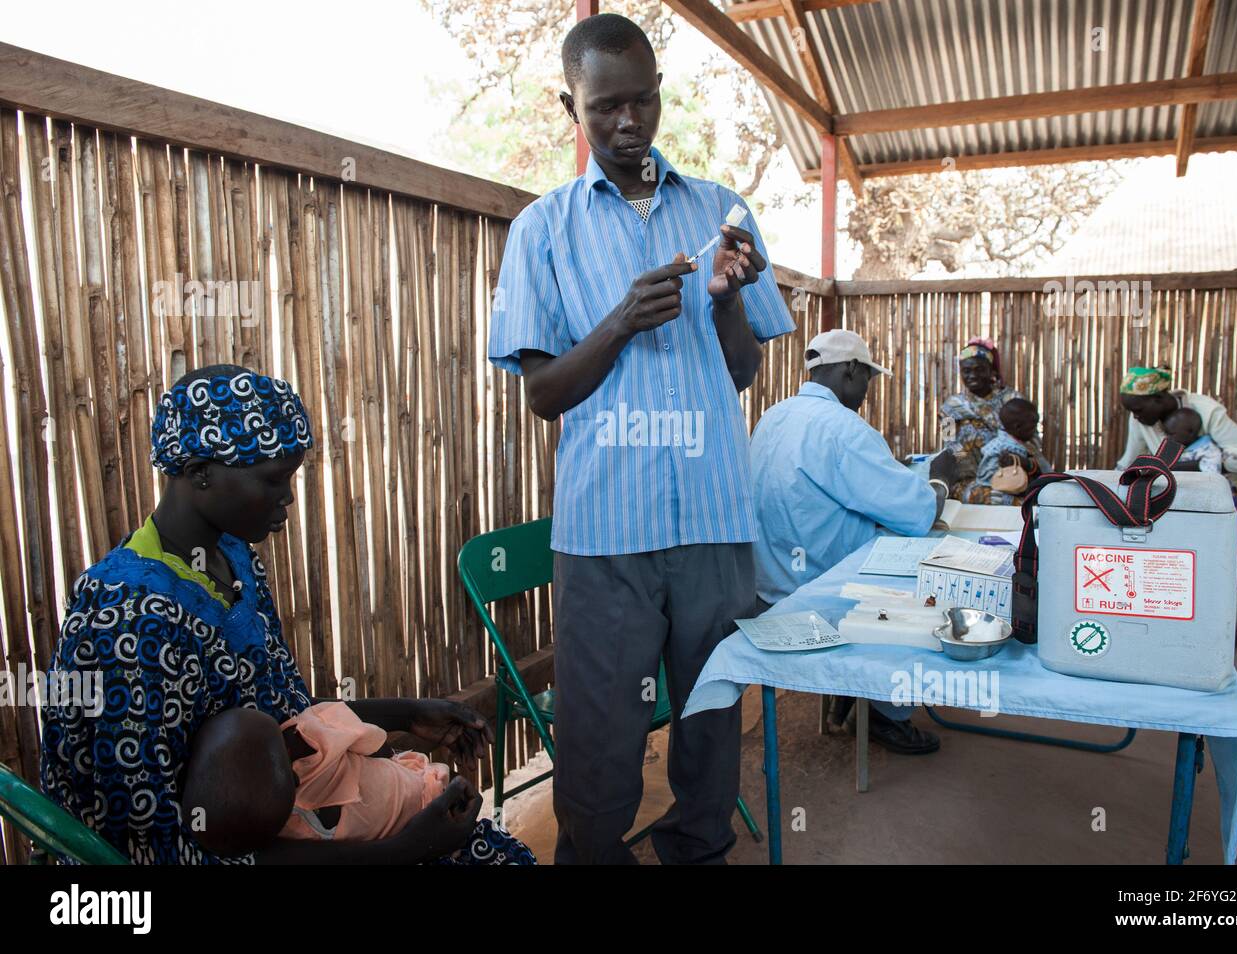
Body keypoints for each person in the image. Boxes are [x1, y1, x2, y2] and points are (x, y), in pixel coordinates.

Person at [488, 14, 794, 864]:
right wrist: (621, 321)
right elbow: (545, 393)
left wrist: (727, 298)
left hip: (712, 517)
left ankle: (697, 848)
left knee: (709, 716)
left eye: (642, 101)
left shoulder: (721, 212)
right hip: (606, 534)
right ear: (570, 106)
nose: (628, 123)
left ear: (661, 93)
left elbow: (738, 374)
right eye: (605, 107)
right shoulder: (541, 231)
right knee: (600, 735)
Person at [40, 365, 529, 864]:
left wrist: (406, 713)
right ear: (199, 473)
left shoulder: (232, 561)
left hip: (303, 819)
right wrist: (405, 848)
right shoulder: (126, 617)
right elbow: (158, 848)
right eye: (272, 479)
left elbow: (286, 718)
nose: (288, 498)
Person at [750, 329, 957, 755]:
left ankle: (854, 696)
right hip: (818, 601)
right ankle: (887, 712)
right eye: (867, 378)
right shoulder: (844, 428)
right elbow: (917, 512)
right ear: (850, 370)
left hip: (767, 591)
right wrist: (942, 481)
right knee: (926, 574)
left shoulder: (773, 416)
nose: (867, 390)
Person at [181, 704, 533, 864]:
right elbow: (370, 741)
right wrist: (412, 845)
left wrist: (410, 714)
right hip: (430, 821)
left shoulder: (264, 814)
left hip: (430, 822)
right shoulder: (309, 746)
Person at [1117, 366, 1237, 549]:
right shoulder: (1141, 420)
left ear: (1159, 398)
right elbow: (1128, 462)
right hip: (1184, 498)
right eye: (1131, 412)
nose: (1135, 416)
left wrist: (1194, 465)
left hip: (1232, 497)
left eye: (1138, 410)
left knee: (1211, 552)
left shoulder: (1206, 410)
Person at [939, 337, 1025, 502]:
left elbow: (1030, 437)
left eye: (979, 369)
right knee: (993, 499)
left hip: (1011, 473)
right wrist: (971, 468)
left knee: (1021, 500)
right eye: (966, 370)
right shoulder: (951, 407)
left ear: (991, 370)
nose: (972, 375)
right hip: (969, 480)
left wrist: (1012, 460)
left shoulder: (1011, 400)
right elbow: (949, 443)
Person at [970, 397, 1051, 504]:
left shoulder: (1023, 443)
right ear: (1017, 427)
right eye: (1033, 427)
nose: (1035, 431)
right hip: (996, 492)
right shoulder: (1004, 448)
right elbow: (988, 480)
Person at [1162, 407, 1224, 474]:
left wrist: (1172, 466)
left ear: (1190, 432)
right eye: (1166, 434)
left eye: (1171, 434)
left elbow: (1212, 473)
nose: (1167, 438)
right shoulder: (1175, 447)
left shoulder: (1209, 450)